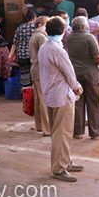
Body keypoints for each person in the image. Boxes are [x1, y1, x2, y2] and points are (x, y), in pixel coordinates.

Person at [38, 16, 84, 182]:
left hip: (51, 94)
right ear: (63, 31)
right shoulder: (57, 50)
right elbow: (69, 73)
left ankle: (65, 162)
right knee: (62, 133)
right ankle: (59, 168)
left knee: (58, 132)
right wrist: (77, 87)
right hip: (62, 95)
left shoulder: (44, 47)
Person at [66, 17, 99, 141]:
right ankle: (95, 133)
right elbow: (98, 56)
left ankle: (78, 132)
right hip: (91, 74)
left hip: (75, 74)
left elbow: (82, 39)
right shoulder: (89, 38)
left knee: (78, 103)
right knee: (94, 104)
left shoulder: (69, 37)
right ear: (84, 27)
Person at [28, 16, 50, 136]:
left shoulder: (34, 36)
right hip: (41, 70)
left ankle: (40, 125)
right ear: (41, 25)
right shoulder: (41, 37)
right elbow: (45, 55)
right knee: (43, 100)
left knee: (38, 99)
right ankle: (47, 128)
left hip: (35, 69)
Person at [12, 10, 36, 88]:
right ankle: (34, 91)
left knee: (24, 73)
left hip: (22, 53)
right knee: (34, 72)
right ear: (34, 18)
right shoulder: (35, 26)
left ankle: (26, 91)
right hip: (33, 53)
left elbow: (15, 41)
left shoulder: (20, 27)